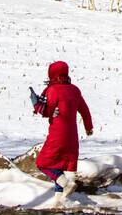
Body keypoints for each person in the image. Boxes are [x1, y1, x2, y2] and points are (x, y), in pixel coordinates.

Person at [30, 61, 93, 205]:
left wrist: (35, 103)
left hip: (58, 134)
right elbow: (85, 110)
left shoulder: (53, 90)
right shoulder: (75, 90)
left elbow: (48, 111)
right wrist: (88, 127)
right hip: (72, 137)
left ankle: (66, 184)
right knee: (60, 166)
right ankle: (59, 201)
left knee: (43, 164)